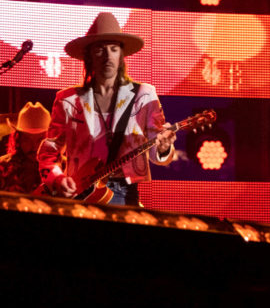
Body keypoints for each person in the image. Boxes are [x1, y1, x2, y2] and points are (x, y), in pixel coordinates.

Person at [37, 12, 175, 206]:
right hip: (80, 194)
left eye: (114, 49)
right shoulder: (67, 99)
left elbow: (158, 156)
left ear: (121, 55)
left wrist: (164, 147)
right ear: (90, 56)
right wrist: (57, 179)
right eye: (100, 49)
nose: (108, 56)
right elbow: (49, 152)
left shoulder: (144, 95)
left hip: (125, 193)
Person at [0, 102, 50, 194]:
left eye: (40, 140)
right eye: (27, 140)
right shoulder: (2, 166)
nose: (34, 146)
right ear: (18, 138)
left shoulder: (64, 168)